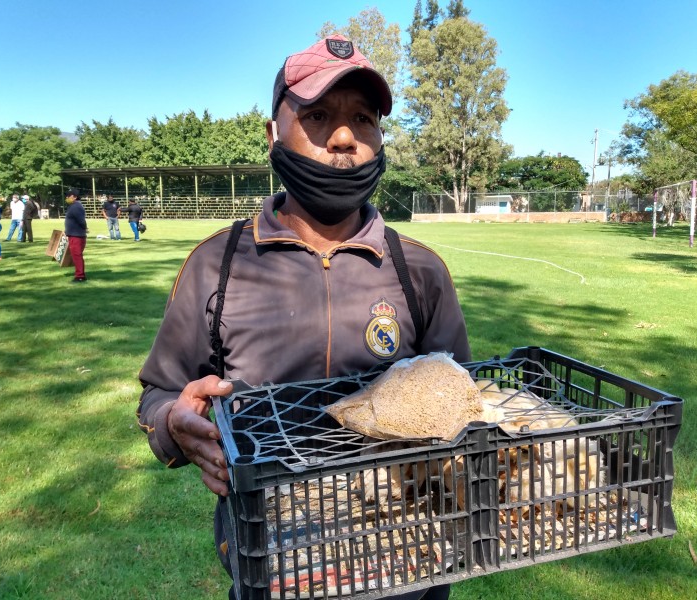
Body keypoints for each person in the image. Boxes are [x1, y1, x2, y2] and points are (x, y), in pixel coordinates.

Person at [136, 36, 469, 600]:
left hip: (408, 569)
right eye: (317, 115)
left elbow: (463, 401)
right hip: (271, 559)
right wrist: (174, 423)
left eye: (363, 119)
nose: (344, 137)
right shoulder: (216, 263)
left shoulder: (421, 270)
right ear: (273, 134)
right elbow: (159, 394)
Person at [64, 187, 88, 282]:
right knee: (76, 255)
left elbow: (81, 221)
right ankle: (80, 274)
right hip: (75, 234)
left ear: (74, 197)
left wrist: (84, 228)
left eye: (68, 196)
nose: (67, 197)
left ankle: (80, 276)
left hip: (76, 235)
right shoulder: (75, 206)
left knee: (76, 255)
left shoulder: (76, 206)